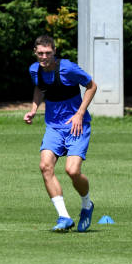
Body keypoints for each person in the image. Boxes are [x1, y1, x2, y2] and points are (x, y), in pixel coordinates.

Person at [23, 35, 97, 231]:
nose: (44, 57)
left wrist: (80, 114)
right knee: (45, 166)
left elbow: (91, 86)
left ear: (54, 52)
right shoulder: (34, 70)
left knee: (72, 171)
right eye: (40, 53)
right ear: (35, 53)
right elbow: (40, 88)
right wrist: (33, 109)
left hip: (76, 126)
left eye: (48, 53)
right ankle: (64, 217)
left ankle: (87, 205)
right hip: (53, 127)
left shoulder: (67, 68)